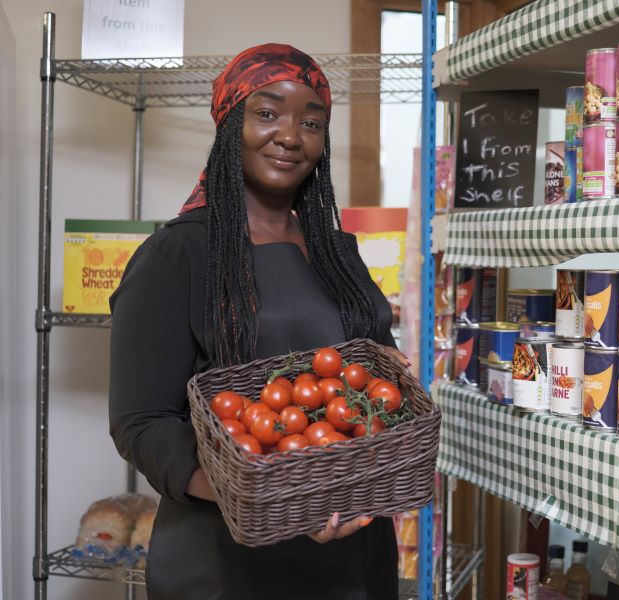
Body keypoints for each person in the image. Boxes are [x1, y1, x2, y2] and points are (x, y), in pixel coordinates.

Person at [108, 44, 403, 599]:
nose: (291, 136)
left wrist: (389, 373)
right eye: (266, 113)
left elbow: (371, 376)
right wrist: (261, 494)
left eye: (311, 122)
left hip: (355, 551)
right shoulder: (179, 255)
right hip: (229, 565)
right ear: (228, 123)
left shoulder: (338, 251)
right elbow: (141, 422)